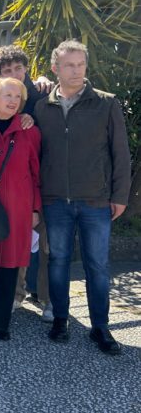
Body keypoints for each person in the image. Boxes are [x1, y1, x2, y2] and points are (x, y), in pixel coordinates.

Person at [35, 40, 131, 355]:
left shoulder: (106, 103)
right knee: (59, 261)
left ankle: (100, 328)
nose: (75, 70)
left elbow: (120, 153)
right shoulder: (41, 107)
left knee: (97, 266)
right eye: (68, 65)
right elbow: (37, 156)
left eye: (80, 64)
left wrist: (120, 194)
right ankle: (60, 320)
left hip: (96, 200)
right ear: (55, 68)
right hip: (55, 201)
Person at [0, 78, 41, 341]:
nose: (13, 101)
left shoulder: (29, 132)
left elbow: (36, 174)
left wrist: (35, 208)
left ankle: (1, 322)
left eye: (17, 97)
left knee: (9, 266)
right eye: (7, 95)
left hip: (18, 207)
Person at [0, 45, 52, 118]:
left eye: (18, 68)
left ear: (25, 68)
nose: (14, 75)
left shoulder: (43, 92)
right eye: (7, 71)